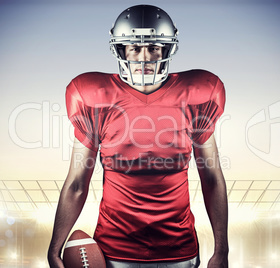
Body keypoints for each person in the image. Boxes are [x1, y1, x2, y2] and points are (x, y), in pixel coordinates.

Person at [48, 4, 228, 268]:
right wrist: (54, 248)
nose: (145, 57)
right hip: (113, 253)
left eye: (154, 47)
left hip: (180, 251)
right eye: (134, 47)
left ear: (167, 49)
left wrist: (221, 251)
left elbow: (211, 176)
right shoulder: (94, 98)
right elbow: (77, 182)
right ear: (121, 50)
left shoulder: (198, 95)